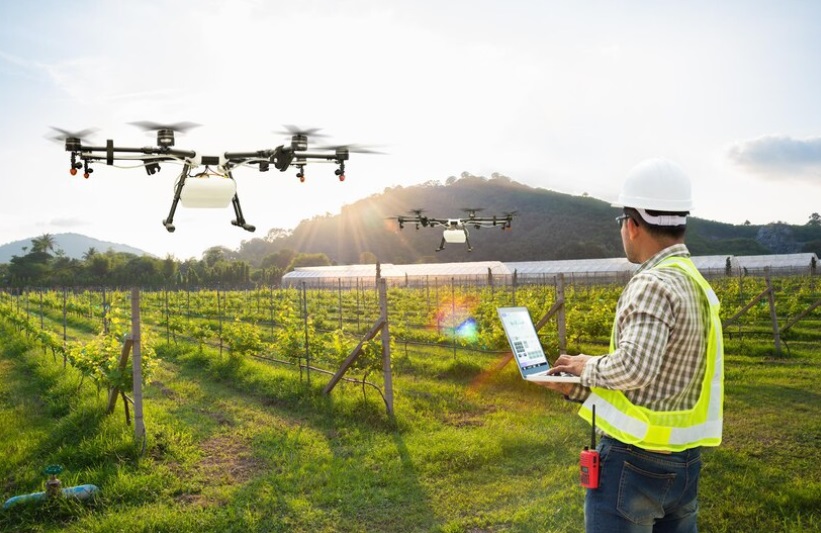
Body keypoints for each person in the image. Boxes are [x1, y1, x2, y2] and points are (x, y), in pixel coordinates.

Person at [541, 157, 724, 532]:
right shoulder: (695, 285)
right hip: (685, 464)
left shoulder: (652, 283)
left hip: (635, 466)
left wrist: (583, 369)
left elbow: (636, 368)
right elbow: (661, 379)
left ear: (633, 224)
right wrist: (581, 384)